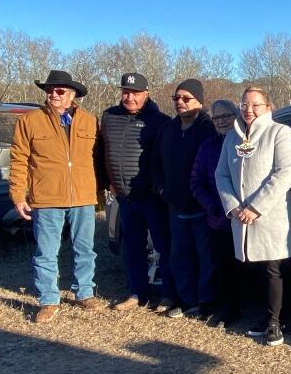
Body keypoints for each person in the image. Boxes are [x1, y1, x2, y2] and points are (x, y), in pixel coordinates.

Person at [10, 70, 106, 323]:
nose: (53, 94)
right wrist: (18, 195)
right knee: (46, 252)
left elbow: (98, 159)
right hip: (47, 197)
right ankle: (49, 300)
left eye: (59, 90)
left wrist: (100, 192)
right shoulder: (30, 121)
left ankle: (84, 293)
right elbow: (19, 159)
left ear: (72, 95)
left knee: (85, 249)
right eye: (50, 90)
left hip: (83, 197)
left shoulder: (89, 120)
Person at [215, 86, 291, 347]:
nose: (248, 110)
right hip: (241, 217)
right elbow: (222, 174)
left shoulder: (279, 133)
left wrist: (256, 207)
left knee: (273, 269)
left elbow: (284, 173)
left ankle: (276, 322)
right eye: (244, 105)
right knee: (256, 269)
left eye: (255, 105)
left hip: (269, 216)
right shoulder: (232, 138)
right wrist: (233, 206)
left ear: (268, 107)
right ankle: (266, 316)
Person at [98, 72, 175, 311]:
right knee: (133, 247)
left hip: (152, 198)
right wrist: (106, 182)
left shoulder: (161, 121)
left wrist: (159, 188)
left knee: (164, 247)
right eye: (126, 92)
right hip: (125, 197)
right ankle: (137, 293)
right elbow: (99, 152)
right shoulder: (109, 117)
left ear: (146, 94)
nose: (129, 97)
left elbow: (166, 159)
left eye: (135, 93)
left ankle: (169, 295)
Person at [152, 79, 216, 318]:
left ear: (200, 101)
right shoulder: (168, 129)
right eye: (176, 98)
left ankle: (206, 302)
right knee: (180, 255)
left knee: (205, 257)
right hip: (175, 204)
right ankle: (185, 299)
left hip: (203, 206)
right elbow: (155, 162)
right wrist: (161, 189)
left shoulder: (209, 128)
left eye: (186, 98)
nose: (180, 102)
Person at [190, 99, 242, 323]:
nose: (221, 121)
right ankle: (228, 309)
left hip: (249, 217)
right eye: (217, 117)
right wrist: (213, 206)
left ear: (237, 116)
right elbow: (196, 182)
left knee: (257, 268)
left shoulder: (246, 143)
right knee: (223, 267)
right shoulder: (208, 146)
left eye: (226, 116)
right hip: (220, 219)